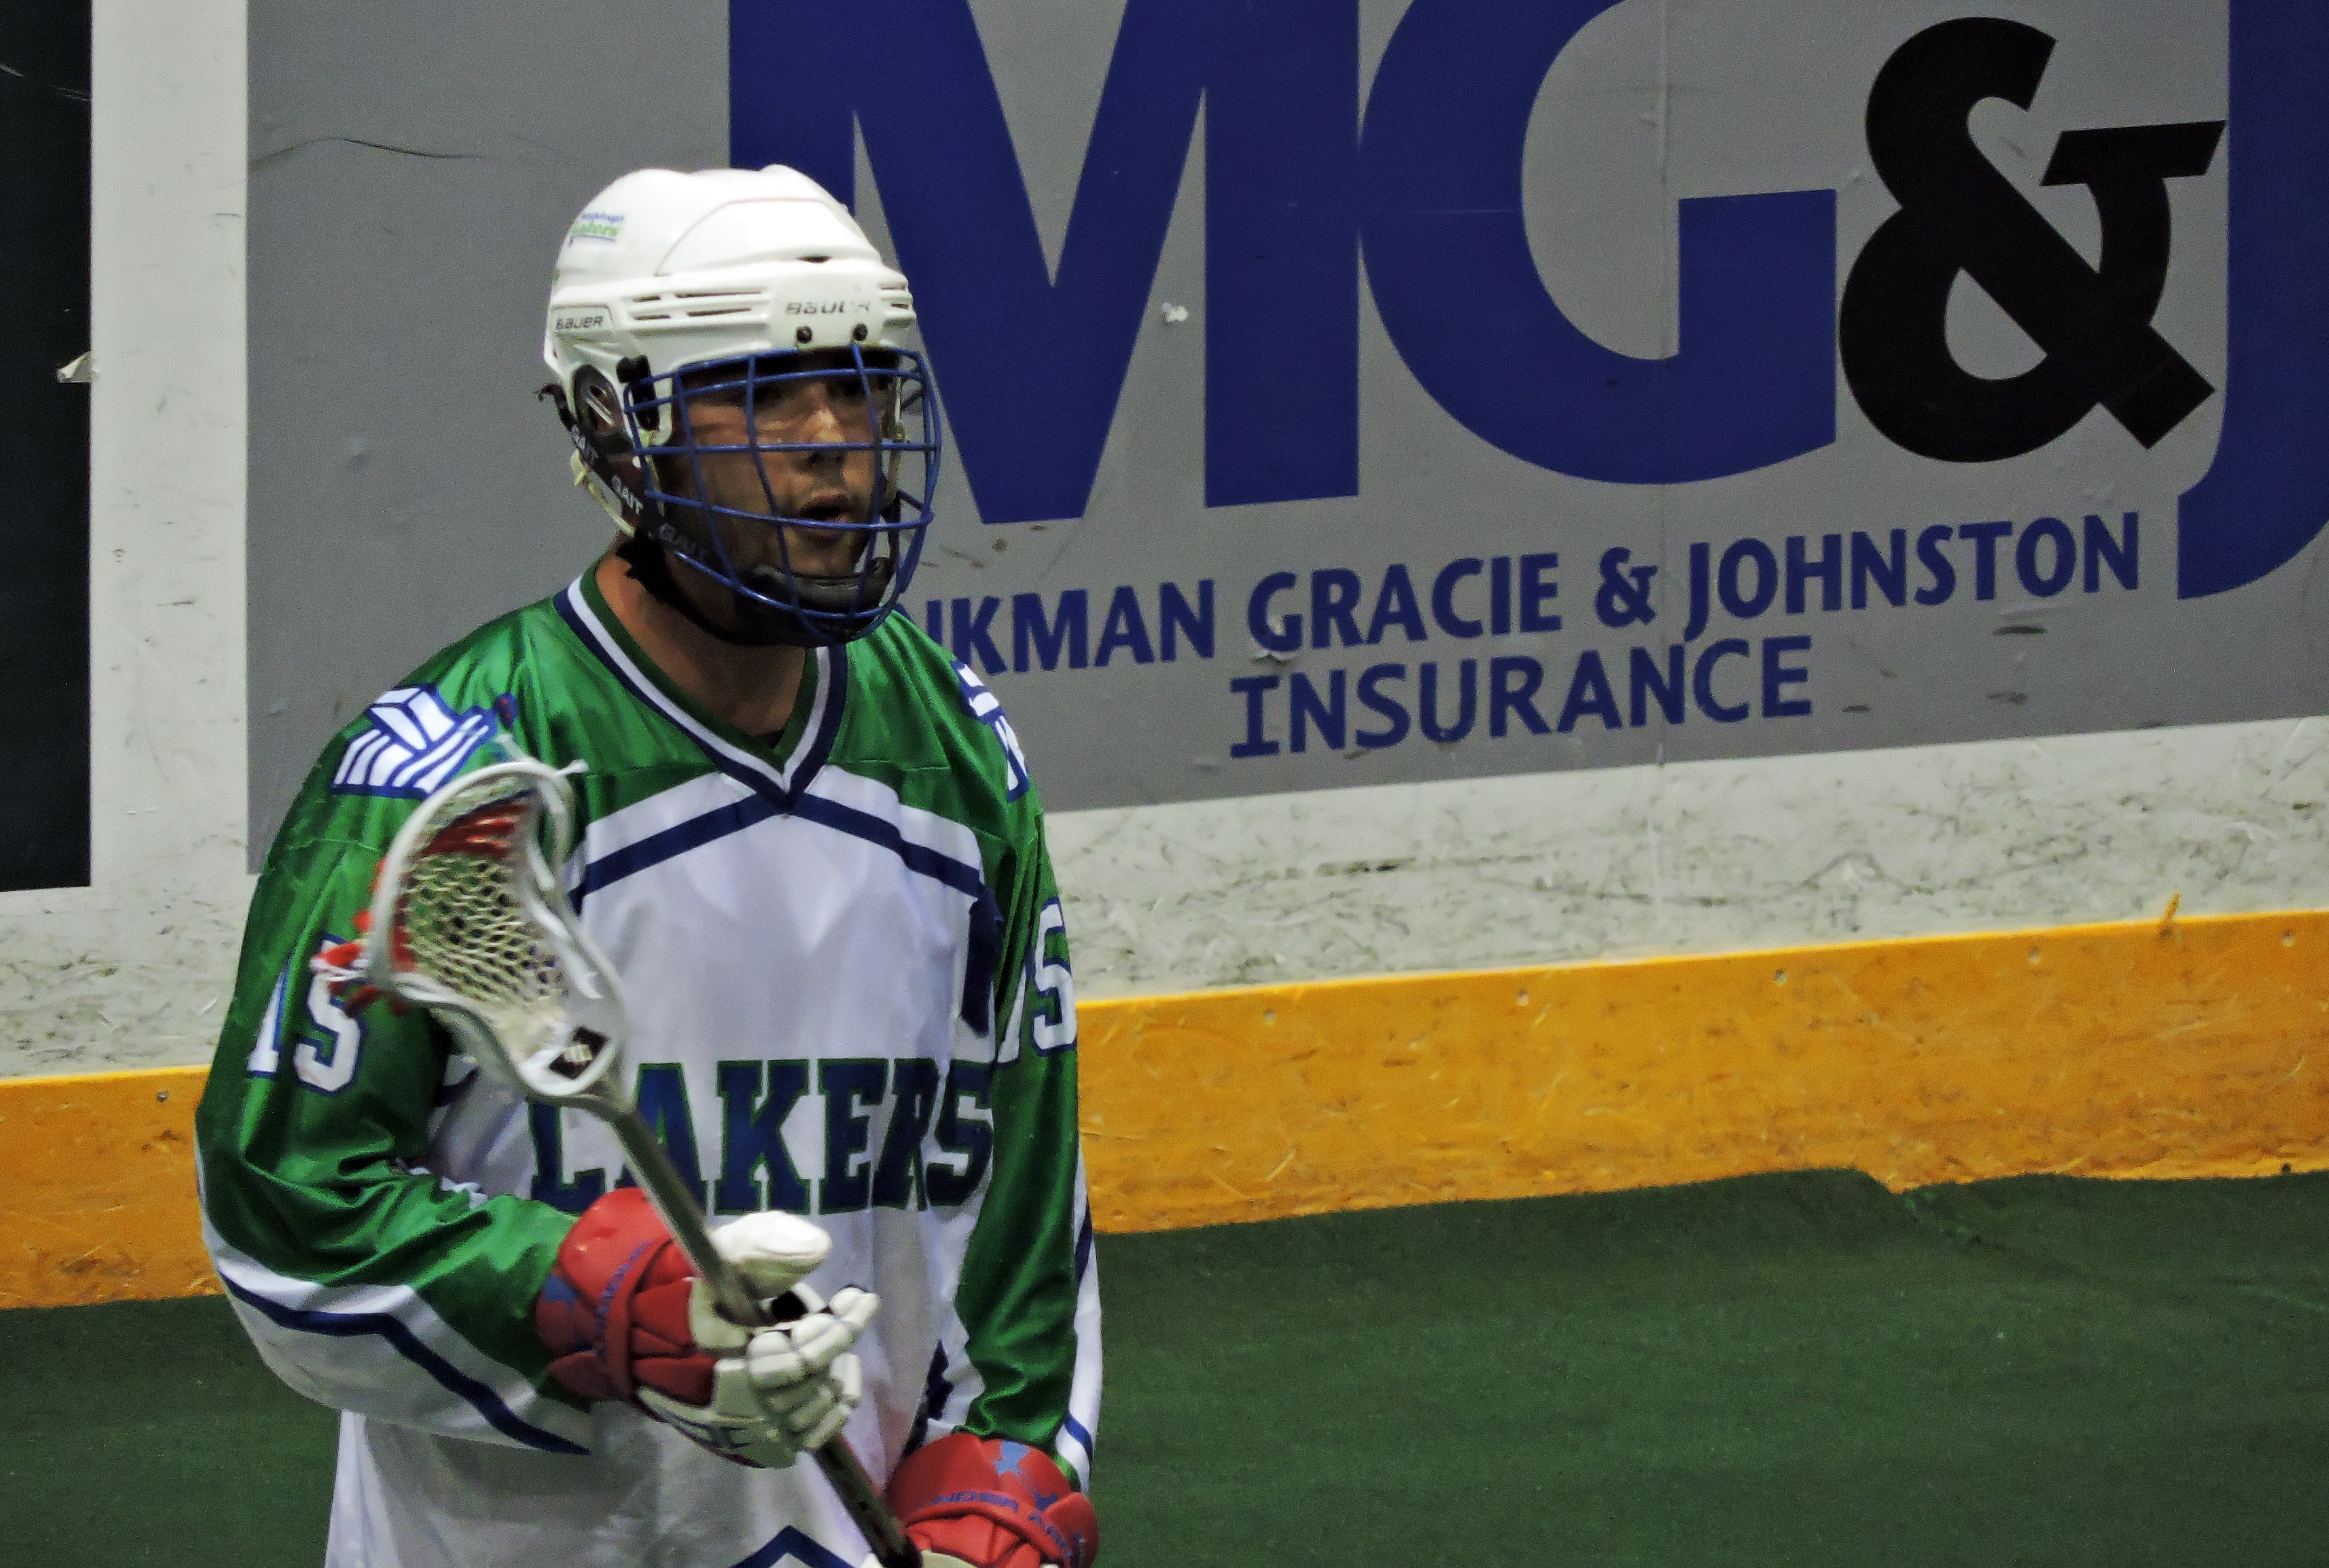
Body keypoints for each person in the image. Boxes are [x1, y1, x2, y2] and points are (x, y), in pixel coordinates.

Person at [195, 165, 1102, 1568]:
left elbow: (1017, 1197)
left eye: (861, 390)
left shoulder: (956, 755)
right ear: (620, 428)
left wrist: (1002, 1481)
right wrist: (594, 1301)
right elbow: (287, 1213)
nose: (832, 448)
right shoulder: (446, 775)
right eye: (757, 394)